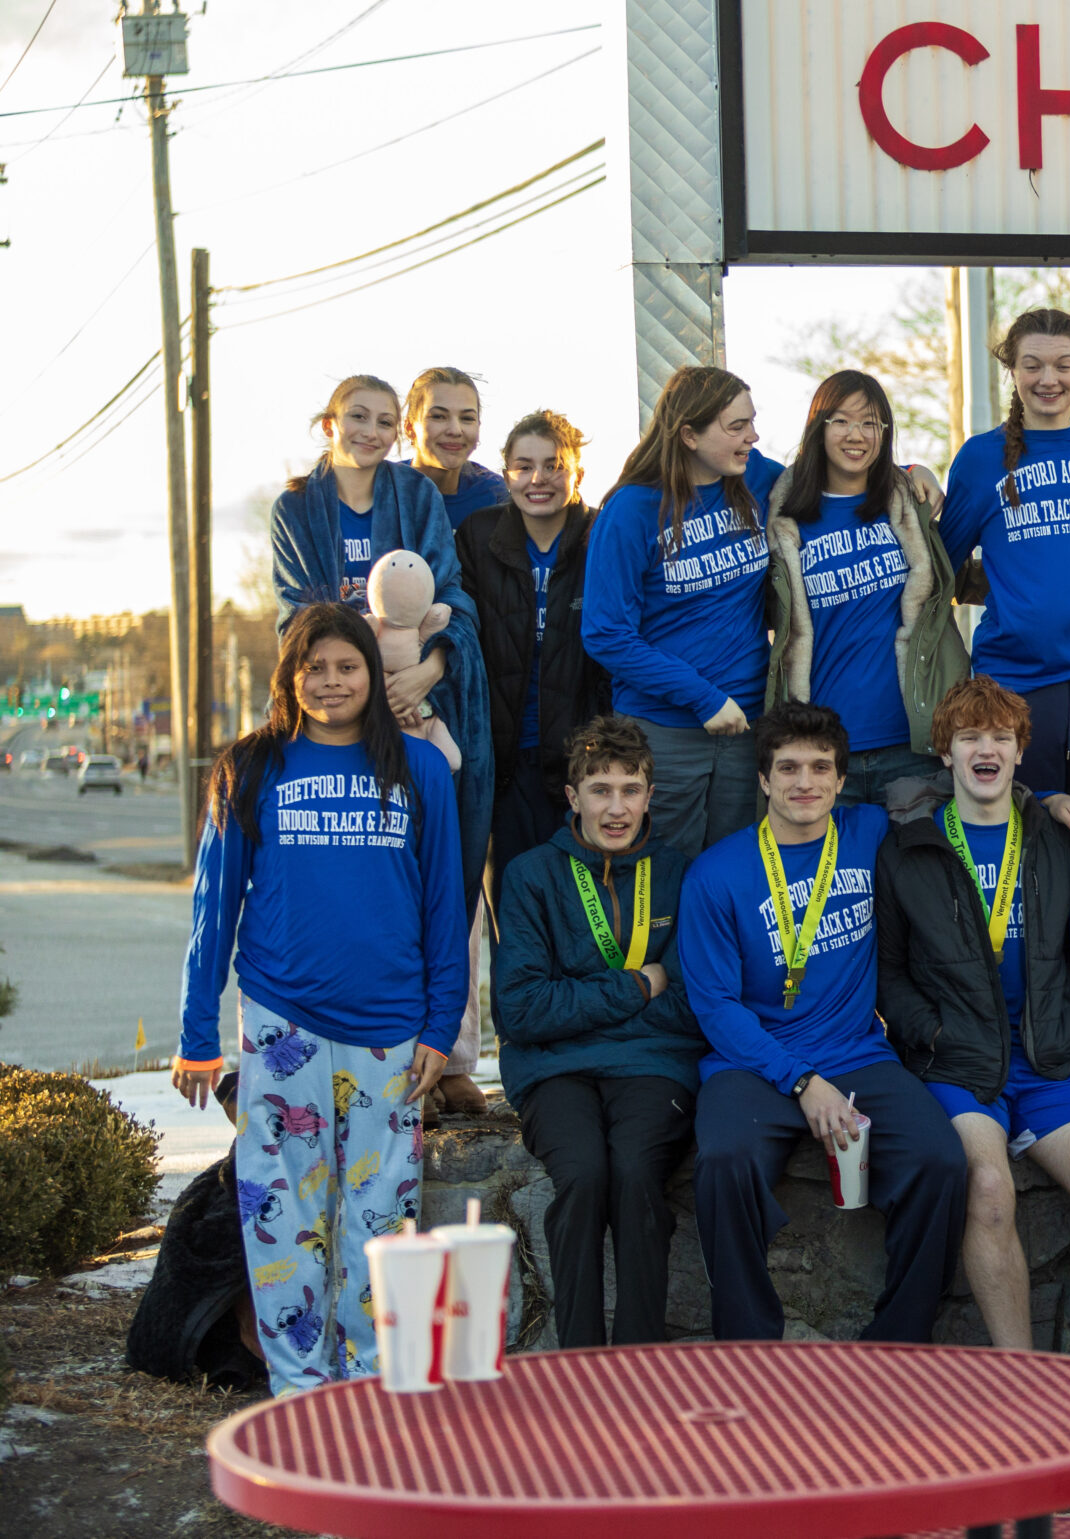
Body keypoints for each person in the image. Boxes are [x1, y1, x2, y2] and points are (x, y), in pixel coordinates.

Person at [171, 603, 468, 1391]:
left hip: (392, 1029)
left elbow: (446, 904)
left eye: (347, 665)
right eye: (314, 667)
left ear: (373, 673)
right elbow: (215, 904)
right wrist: (197, 1030)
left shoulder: (419, 768)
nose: (330, 681)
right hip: (281, 1019)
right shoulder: (252, 766)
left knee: (378, 1217)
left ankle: (370, 1378)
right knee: (286, 1218)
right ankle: (299, 1386)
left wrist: (443, 1024)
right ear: (289, 675)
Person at [678, 702, 968, 1341]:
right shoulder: (716, 874)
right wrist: (802, 1081)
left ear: (842, 780)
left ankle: (897, 1345)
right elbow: (716, 1007)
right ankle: (750, 1349)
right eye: (787, 768)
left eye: (819, 767)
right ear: (763, 780)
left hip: (859, 1053)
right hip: (753, 1062)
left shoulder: (870, 831)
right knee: (723, 1163)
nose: (803, 781)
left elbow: (981, 789)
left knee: (941, 1162)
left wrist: (1050, 801)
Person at [874, 677, 1070, 1357]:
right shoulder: (909, 848)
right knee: (988, 1188)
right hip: (960, 1063)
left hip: (1050, 1058)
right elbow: (890, 973)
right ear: (946, 753)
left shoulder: (1055, 836)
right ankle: (1020, 1382)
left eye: (1000, 737)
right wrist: (930, 1034)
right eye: (969, 737)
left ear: (1022, 751)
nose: (985, 749)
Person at [271, 375, 494, 1111]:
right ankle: (372, 1050)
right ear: (329, 420)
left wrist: (428, 672)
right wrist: (362, 695)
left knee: (443, 878)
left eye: (384, 421)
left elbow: (452, 598)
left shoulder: (416, 499)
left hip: (420, 704)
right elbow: (295, 617)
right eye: (357, 417)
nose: (370, 430)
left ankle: (452, 1054)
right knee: (371, 887)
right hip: (340, 717)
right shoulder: (298, 508)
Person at [490, 714, 702, 1348]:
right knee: (583, 1175)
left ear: (649, 796)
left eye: (630, 790)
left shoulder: (679, 872)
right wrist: (639, 984)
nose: (616, 808)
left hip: (654, 1061)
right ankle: (577, 1357)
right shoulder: (531, 875)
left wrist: (581, 999)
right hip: (554, 1068)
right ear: (572, 797)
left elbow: (693, 1004)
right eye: (600, 790)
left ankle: (637, 1356)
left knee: (636, 1173)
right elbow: (522, 1009)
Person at [582, 365, 786, 860]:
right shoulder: (632, 510)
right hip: (663, 732)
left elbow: (837, 478)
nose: (752, 437)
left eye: (751, 423)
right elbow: (606, 634)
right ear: (689, 434)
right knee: (661, 877)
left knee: (738, 871)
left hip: (746, 726)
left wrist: (911, 473)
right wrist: (702, 697)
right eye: (736, 427)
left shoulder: (756, 476)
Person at [940, 309, 1070, 824]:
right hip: (1016, 676)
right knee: (1029, 830)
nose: (1048, 379)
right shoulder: (981, 459)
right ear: (1012, 371)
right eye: (1032, 366)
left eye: (1062, 365)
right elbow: (942, 565)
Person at [767, 369, 970, 807]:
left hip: (913, 743)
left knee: (918, 873)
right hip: (821, 751)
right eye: (840, 421)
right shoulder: (785, 514)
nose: (855, 435)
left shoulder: (909, 505)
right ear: (817, 428)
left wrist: (919, 470)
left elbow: (962, 574)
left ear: (885, 432)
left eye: (870, 422)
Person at [459, 408, 614, 924]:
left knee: (587, 915)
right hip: (506, 765)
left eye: (553, 465)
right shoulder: (479, 539)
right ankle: (516, 1008)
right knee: (517, 911)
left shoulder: (601, 535)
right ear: (505, 474)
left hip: (583, 762)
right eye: (523, 467)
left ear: (578, 473)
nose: (538, 479)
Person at [403, 367, 510, 530]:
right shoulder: (382, 487)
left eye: (467, 418)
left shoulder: (493, 493)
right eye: (438, 416)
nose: (455, 430)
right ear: (410, 427)